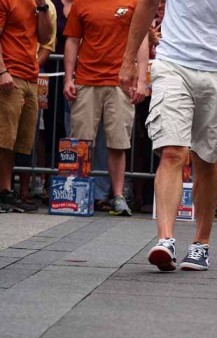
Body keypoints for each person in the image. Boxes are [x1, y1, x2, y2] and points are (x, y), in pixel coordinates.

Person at [119, 0, 217, 271]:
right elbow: (148, 5)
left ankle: (201, 243)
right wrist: (128, 60)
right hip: (173, 63)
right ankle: (165, 239)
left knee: (206, 158)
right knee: (172, 151)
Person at [63, 0, 150, 217]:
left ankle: (118, 195)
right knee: (80, 142)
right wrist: (68, 79)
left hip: (121, 81)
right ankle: (77, 192)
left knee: (118, 142)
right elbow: (72, 40)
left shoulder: (134, 3)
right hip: (86, 79)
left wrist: (141, 81)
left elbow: (142, 40)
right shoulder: (81, 4)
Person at [0, 0, 52, 213]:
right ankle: (4, 192)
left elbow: (46, 37)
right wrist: (2, 72)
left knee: (18, 141)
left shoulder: (36, 4)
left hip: (30, 76)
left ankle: (7, 191)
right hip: (10, 74)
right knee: (4, 138)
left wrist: (43, 7)